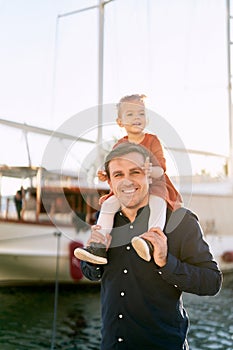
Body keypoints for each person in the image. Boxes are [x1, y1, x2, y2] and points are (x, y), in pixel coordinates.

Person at [77, 142, 222, 350]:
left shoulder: (181, 222)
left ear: (149, 176)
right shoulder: (105, 219)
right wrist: (94, 257)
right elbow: (92, 273)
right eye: (118, 175)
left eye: (135, 172)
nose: (126, 181)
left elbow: (212, 282)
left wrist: (165, 262)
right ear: (109, 181)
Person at [75, 94, 183, 264]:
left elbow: (161, 169)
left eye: (141, 113)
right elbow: (115, 168)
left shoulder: (152, 140)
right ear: (120, 122)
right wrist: (105, 173)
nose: (136, 118)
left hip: (154, 185)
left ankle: (150, 241)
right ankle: (99, 245)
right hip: (128, 189)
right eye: (130, 114)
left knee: (158, 203)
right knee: (109, 204)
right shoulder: (119, 145)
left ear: (146, 118)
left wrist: (149, 170)